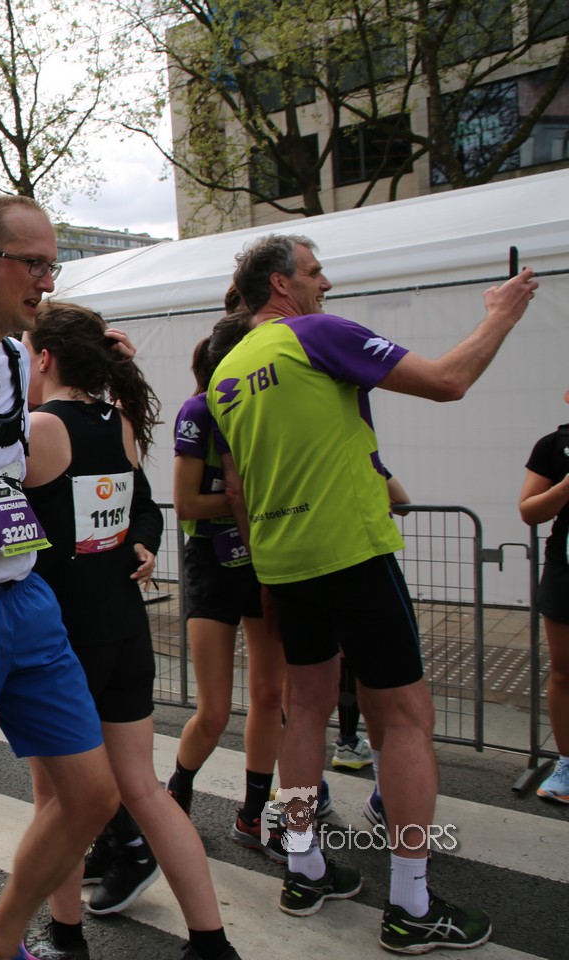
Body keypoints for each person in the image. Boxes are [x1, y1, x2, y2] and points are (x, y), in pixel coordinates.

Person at [209, 233, 536, 952]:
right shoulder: (316, 333)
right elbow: (448, 380)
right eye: (315, 272)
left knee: (306, 713)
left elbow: (238, 484)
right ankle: (411, 905)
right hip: (350, 548)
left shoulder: (226, 370)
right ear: (281, 285)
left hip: (284, 559)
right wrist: (502, 314)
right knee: (407, 718)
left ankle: (304, 868)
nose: (325, 284)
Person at [0, 195, 121, 960]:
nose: (48, 281)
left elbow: (22, 464)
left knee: (93, 796)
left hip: (28, 598)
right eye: (35, 264)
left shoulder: (18, 360)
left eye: (52, 265)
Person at [20, 303, 239, 960]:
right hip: (122, 627)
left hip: (65, 639)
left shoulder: (41, 428)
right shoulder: (115, 421)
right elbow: (145, 508)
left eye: (26, 354)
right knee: (142, 788)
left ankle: (65, 937)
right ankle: (210, 940)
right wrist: (140, 544)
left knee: (56, 802)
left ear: (45, 358)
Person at [168, 323, 289, 864]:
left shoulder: (269, 406)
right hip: (213, 565)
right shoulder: (198, 411)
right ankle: (177, 794)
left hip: (264, 562)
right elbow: (187, 504)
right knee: (214, 711)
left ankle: (253, 813)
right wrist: (246, 500)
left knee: (270, 697)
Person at [517, 392, 569, 804]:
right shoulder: (553, 446)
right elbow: (530, 510)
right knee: (565, 672)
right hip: (565, 571)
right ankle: (567, 763)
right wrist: (566, 487)